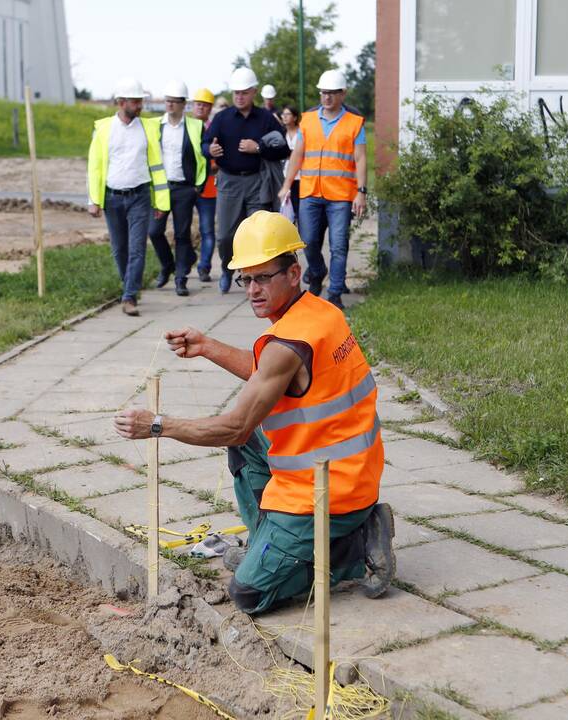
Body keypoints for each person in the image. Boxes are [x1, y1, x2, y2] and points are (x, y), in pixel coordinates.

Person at [113, 211, 395, 615]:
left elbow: (235, 425)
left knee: (247, 594)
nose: (252, 290)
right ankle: (270, 540)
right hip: (346, 466)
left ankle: (352, 548)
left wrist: (157, 425)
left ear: (293, 273)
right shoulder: (320, 313)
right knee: (245, 446)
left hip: (330, 492)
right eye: (246, 279)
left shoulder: (289, 341)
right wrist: (207, 346)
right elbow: (272, 375)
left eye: (263, 277)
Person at [279, 70, 367, 310]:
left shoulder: (354, 123)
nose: (326, 97)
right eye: (323, 93)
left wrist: (362, 192)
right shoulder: (307, 120)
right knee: (307, 240)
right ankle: (317, 271)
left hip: (340, 195)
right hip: (310, 191)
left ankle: (335, 292)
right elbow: (297, 154)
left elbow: (360, 158)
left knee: (339, 245)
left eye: (332, 93)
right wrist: (287, 185)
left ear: (342, 94)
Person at [202, 67, 291, 294]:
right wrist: (209, 149)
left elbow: (282, 150)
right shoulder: (222, 119)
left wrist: (258, 147)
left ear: (254, 92)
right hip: (229, 182)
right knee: (225, 235)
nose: (239, 96)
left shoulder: (266, 119)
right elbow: (204, 144)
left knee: (256, 233)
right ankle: (226, 268)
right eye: (236, 93)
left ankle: (254, 278)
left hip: (256, 182)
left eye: (244, 92)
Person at [87, 77, 169, 316]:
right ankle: (128, 286)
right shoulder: (103, 129)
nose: (140, 105)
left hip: (140, 196)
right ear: (121, 102)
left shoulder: (148, 128)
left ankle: (129, 296)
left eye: (140, 101)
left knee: (137, 249)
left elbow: (158, 167)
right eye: (135, 101)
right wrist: (93, 200)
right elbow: (95, 166)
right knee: (118, 249)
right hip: (112, 198)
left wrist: (161, 202)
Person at [148, 80, 207, 296]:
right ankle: (167, 265)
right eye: (167, 101)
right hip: (160, 188)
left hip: (185, 189)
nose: (170, 105)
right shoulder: (154, 126)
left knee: (182, 234)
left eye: (175, 102)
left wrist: (198, 186)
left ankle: (181, 278)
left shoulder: (195, 126)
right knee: (154, 231)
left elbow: (203, 158)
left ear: (184, 104)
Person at [191, 87, 218, 284]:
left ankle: (204, 266)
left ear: (210, 108)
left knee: (207, 230)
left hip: (209, 188)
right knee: (182, 231)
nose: (201, 107)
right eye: (198, 104)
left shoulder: (214, 130)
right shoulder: (184, 128)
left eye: (204, 105)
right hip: (185, 187)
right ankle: (186, 263)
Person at [280, 105, 302, 222]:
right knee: (286, 209)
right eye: (283, 114)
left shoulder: (301, 132)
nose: (284, 117)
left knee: (299, 209)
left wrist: (293, 153)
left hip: (300, 176)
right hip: (284, 175)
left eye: (287, 114)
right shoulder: (281, 134)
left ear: (294, 117)